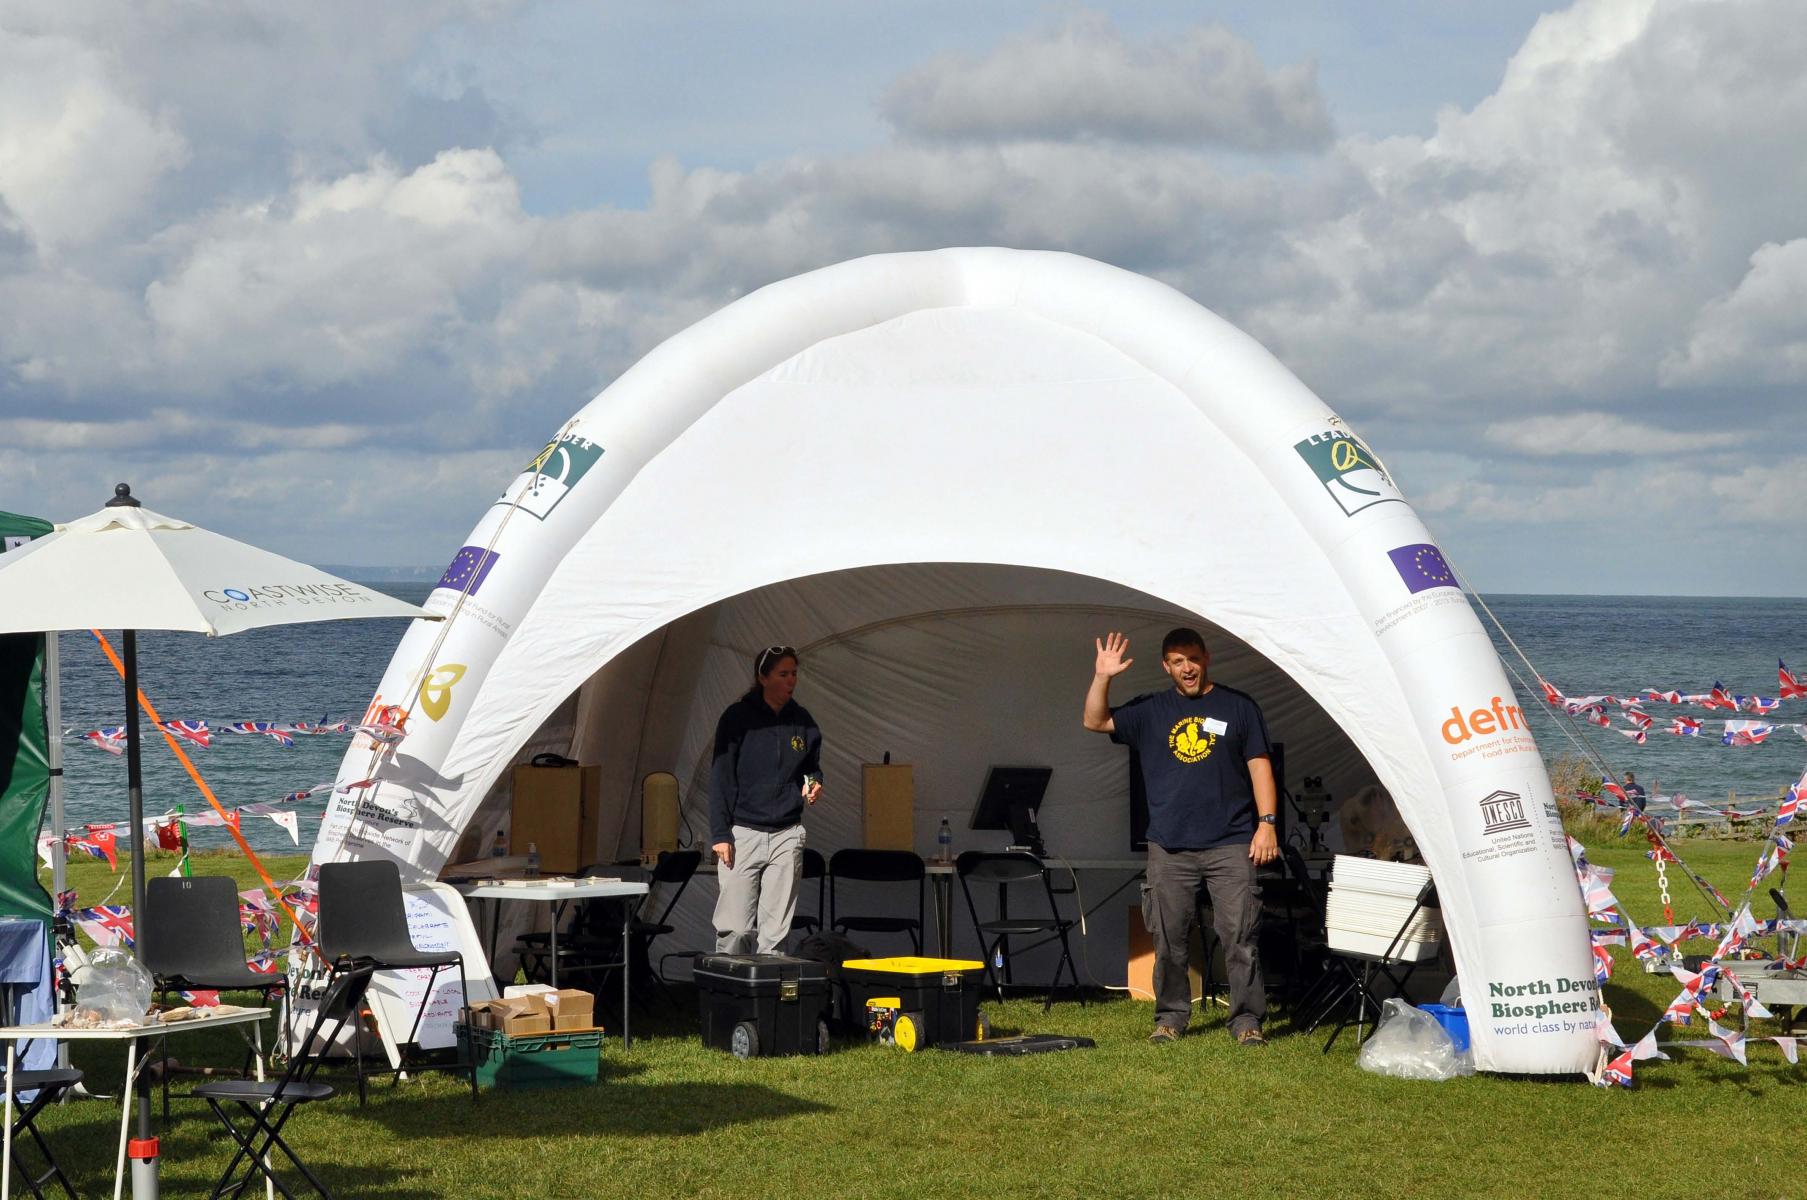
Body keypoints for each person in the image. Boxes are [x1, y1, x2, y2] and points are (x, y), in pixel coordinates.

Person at [1084, 627, 1278, 1046]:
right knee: (1168, 939)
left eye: (1192, 658)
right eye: (1177, 661)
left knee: (1239, 937)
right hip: (1170, 846)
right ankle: (1170, 1018)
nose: (1186, 668)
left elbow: (1260, 764)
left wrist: (1267, 823)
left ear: (1206, 658)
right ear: (1166, 666)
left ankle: (1246, 1022)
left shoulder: (1237, 706)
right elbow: (1094, 720)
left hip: (1231, 843)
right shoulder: (1151, 710)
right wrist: (1103, 676)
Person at [710, 644, 823, 954]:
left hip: (787, 833)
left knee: (774, 935)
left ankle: (768, 998)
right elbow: (721, 777)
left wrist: (813, 784)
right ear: (763, 677)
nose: (791, 681)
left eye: (794, 674)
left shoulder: (802, 720)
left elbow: (811, 768)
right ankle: (729, 994)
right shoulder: (737, 717)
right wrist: (720, 834)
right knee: (736, 928)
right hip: (743, 833)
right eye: (783, 674)